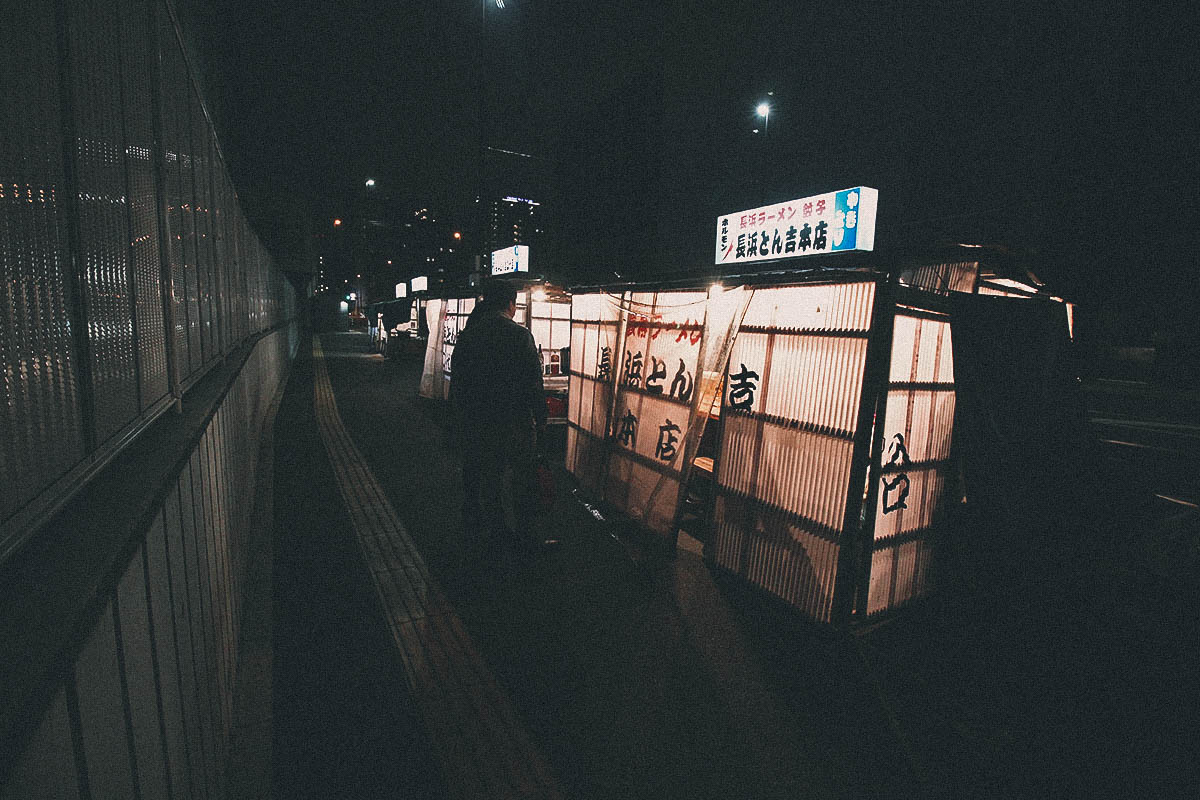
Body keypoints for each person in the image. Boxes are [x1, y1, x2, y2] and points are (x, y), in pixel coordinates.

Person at [450, 282, 547, 561]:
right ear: (510, 304)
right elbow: (533, 381)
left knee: (490, 478)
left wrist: (461, 418)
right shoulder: (519, 336)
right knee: (523, 478)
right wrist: (540, 418)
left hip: (480, 421)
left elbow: (459, 380)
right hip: (515, 421)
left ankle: (498, 533)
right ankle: (526, 536)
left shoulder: (469, 336)